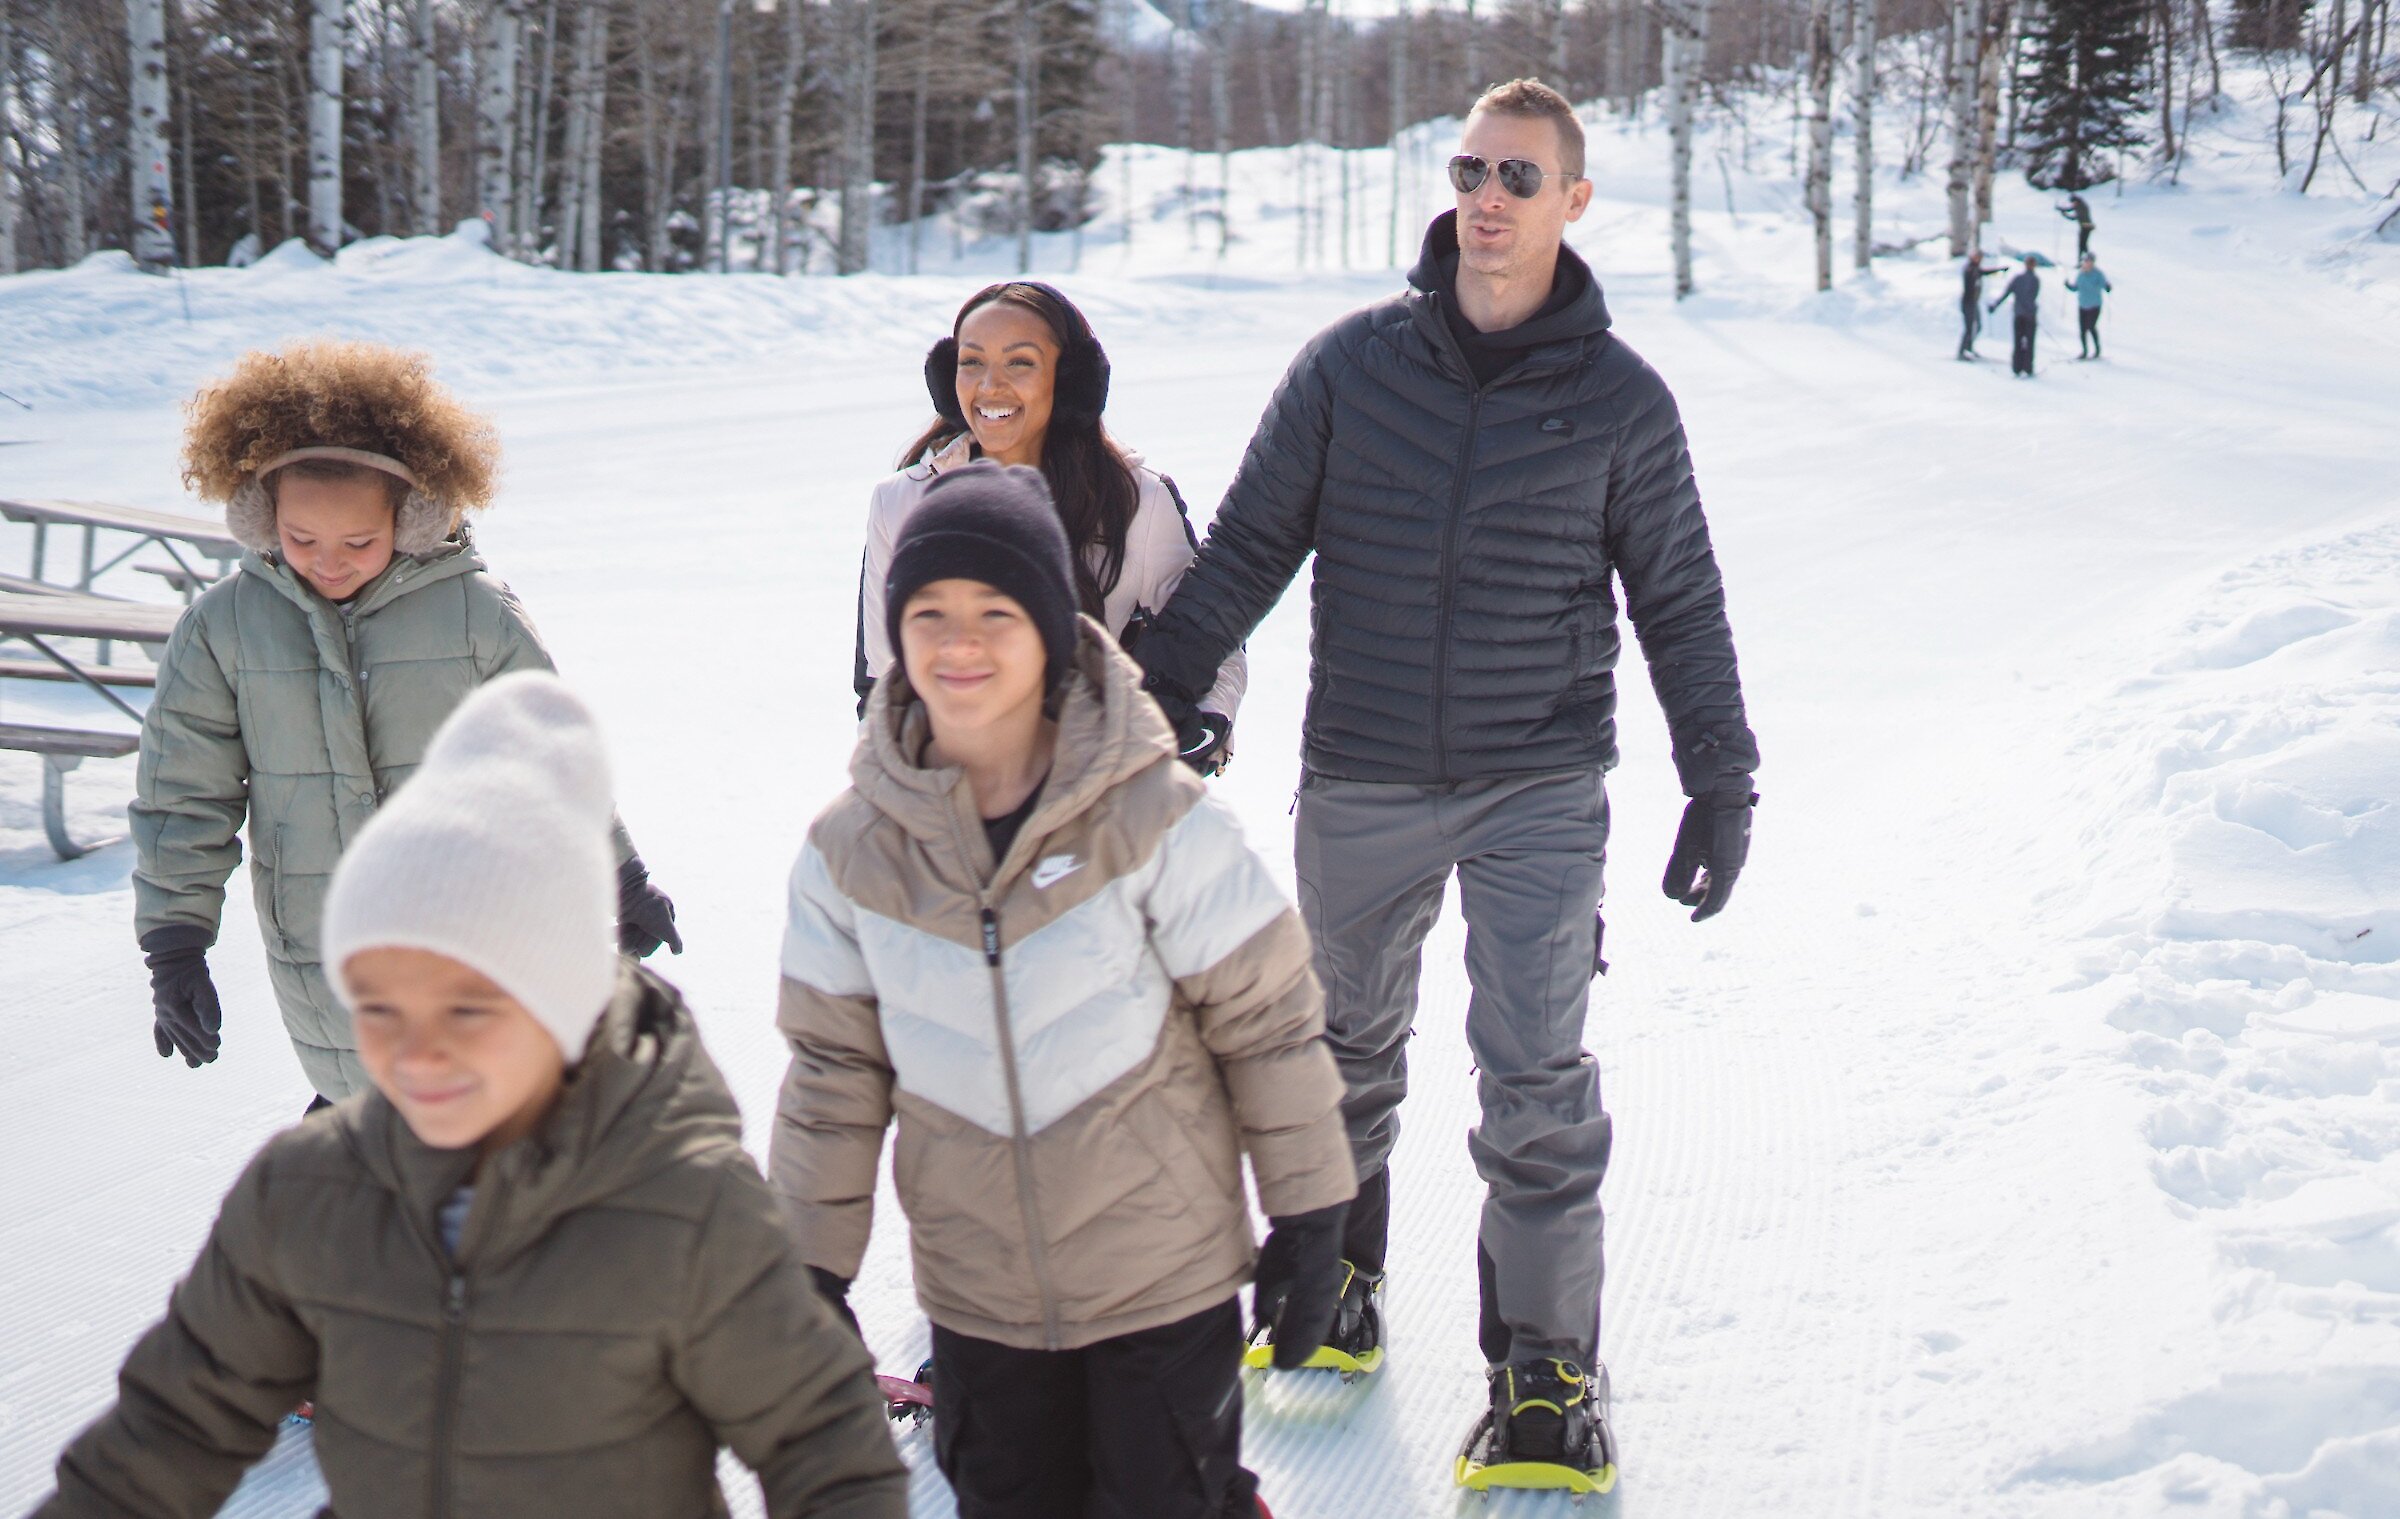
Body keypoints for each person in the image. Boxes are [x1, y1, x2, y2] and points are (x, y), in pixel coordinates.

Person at [1125, 79, 1759, 1492]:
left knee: (1533, 1076)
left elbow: (1682, 600)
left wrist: (1721, 776)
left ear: (1574, 201)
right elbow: (1246, 546)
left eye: (1520, 175)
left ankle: (1545, 1364)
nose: (1487, 194)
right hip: (1362, 769)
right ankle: (1334, 1281)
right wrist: (1156, 687)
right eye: (1471, 166)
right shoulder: (1352, 366)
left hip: (1537, 779)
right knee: (1337, 1050)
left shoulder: (1619, 398)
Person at [38, 673, 908, 1519]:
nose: (419, 1053)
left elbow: (823, 1446)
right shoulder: (307, 1192)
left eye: (468, 1007)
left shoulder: (680, 1203)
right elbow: (169, 1429)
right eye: (380, 1007)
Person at [773, 464, 1357, 1519]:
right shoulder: (850, 852)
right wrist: (810, 1272)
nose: (960, 643)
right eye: (929, 614)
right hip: (979, 1294)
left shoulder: (1150, 814)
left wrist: (1312, 1212)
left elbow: (1268, 1024)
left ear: (1050, 628)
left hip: (1159, 1283)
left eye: (995, 612)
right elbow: (832, 1076)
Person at [135, 340, 681, 1106]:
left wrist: (620, 875)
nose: (328, 563)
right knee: (365, 1115)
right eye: (301, 540)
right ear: (262, 516)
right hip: (322, 945)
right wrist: (176, 944)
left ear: (414, 514)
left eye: (358, 541)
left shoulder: (474, 614)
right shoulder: (224, 630)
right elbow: (184, 795)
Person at [853, 281, 1245, 775]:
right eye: (971, 362)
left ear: (1071, 380)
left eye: (1019, 362)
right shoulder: (900, 502)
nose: (989, 386)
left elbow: (1210, 642)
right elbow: (884, 679)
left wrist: (1200, 731)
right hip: (956, 801)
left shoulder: (1137, 502)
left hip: (1100, 796)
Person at [1989, 256, 2043, 377]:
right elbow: (2033, 297)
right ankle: (2028, 367)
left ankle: (2017, 367)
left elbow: (2006, 293)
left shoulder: (2018, 279)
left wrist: (1995, 305)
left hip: (2019, 314)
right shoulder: (2035, 280)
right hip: (2029, 315)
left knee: (2018, 341)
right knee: (2029, 342)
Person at [1958, 250, 2002, 360]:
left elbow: (1984, 272)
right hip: (1968, 302)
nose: (1980, 260)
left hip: (1974, 302)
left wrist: (2000, 271)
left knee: (1978, 326)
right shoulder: (1969, 269)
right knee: (1969, 328)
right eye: (1978, 257)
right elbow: (1973, 274)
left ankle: (1969, 347)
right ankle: (1961, 351)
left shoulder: (1976, 269)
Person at [2068, 251, 2113, 359]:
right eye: (2085, 261)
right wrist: (2068, 286)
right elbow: (2075, 288)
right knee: (2083, 329)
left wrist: (2107, 287)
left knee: (2091, 326)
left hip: (2094, 305)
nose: (2086, 263)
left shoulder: (2098, 274)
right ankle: (2084, 351)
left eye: (2088, 261)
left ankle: (2097, 349)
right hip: (2083, 305)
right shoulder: (2080, 274)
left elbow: (2104, 285)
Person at [2059, 191, 2094, 256]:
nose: (2072, 204)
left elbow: (2074, 217)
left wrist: (2064, 214)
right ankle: (2085, 259)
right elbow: (2070, 209)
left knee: (2082, 244)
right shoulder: (2078, 204)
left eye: (2073, 202)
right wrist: (2062, 209)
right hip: (2084, 226)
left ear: (2076, 201)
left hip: (2087, 227)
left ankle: (2085, 260)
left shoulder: (2082, 207)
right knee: (2082, 244)